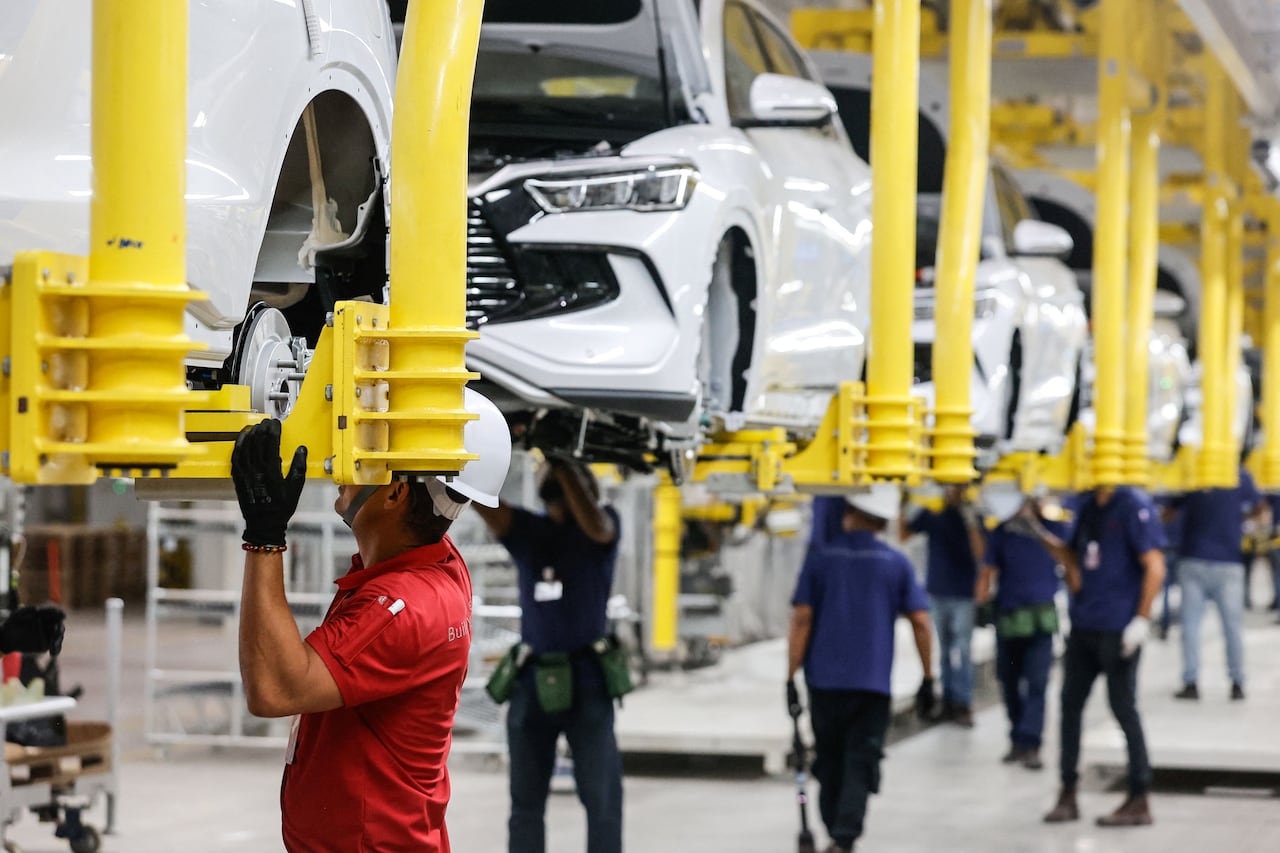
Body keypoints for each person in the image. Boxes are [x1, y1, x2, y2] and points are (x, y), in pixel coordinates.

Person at [231, 389, 512, 852]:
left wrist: (264, 536)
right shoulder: (436, 566)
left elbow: (274, 689)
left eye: (367, 455)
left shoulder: (401, 607)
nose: (346, 463)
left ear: (398, 492)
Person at [471, 455, 623, 853]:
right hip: (532, 681)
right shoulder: (530, 532)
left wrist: (564, 466)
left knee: (602, 800)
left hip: (588, 680)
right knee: (525, 803)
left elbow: (597, 525)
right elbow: (485, 505)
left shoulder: (600, 526)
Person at [788, 488, 934, 853]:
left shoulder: (821, 559)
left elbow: (802, 618)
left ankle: (836, 834)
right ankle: (844, 837)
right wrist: (929, 677)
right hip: (872, 685)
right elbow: (920, 621)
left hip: (824, 681)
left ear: (849, 510)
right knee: (860, 760)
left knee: (829, 759)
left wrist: (789, 675)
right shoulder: (896, 563)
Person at [1023, 485, 1165, 828]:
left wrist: (1141, 620)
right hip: (1085, 624)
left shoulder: (1132, 506)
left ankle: (1139, 796)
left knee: (1123, 708)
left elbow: (1155, 566)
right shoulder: (1087, 506)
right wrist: (1036, 530)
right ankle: (1068, 792)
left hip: (1119, 628)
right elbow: (1074, 559)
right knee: (1070, 706)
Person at [976, 491, 1064, 771]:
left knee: (1037, 684)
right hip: (1010, 621)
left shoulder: (1054, 529)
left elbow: (1068, 557)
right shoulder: (1003, 532)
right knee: (1010, 682)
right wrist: (980, 603)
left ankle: (1032, 743)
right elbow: (987, 570)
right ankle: (1017, 739)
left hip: (1040, 622)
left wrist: (1038, 531)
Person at [1169, 465, 1263, 701]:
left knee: (1190, 626)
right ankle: (1237, 682)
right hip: (1228, 562)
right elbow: (1261, 510)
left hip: (1194, 559)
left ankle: (1191, 682)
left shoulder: (1193, 472)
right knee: (1232, 627)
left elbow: (1168, 512)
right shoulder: (1240, 476)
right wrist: (1238, 520)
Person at [900, 484, 985, 726]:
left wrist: (969, 520)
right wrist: (903, 504)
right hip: (938, 591)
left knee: (963, 649)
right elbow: (903, 534)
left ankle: (963, 702)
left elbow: (981, 553)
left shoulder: (971, 517)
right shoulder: (934, 515)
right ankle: (948, 701)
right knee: (946, 650)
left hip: (963, 593)